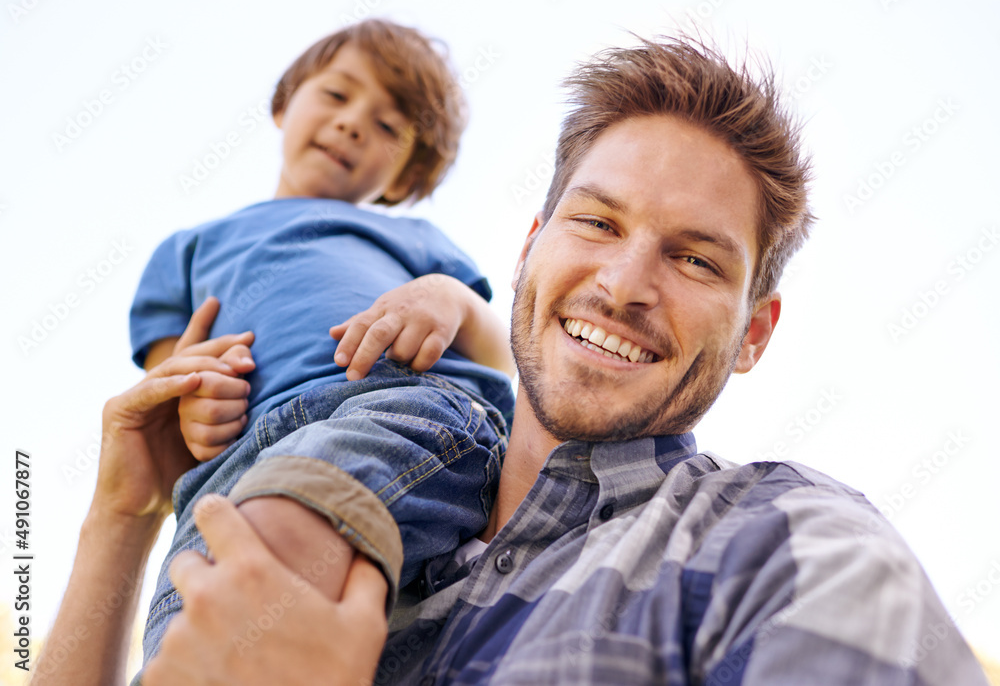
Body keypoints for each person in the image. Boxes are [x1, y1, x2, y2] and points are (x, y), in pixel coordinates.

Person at [35, 35, 991, 685]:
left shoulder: (784, 547)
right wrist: (120, 519)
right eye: (596, 220)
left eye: (697, 257)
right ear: (529, 244)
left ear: (755, 332)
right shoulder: (307, 515)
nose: (623, 283)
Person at [126, 18, 516, 672]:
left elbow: (502, 356)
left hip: (393, 408)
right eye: (337, 95)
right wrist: (197, 413)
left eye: (390, 127)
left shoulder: (420, 243)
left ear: (404, 176)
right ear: (285, 103)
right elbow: (167, 397)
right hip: (233, 473)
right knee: (189, 620)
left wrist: (449, 299)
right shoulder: (187, 250)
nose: (355, 123)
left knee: (273, 556)